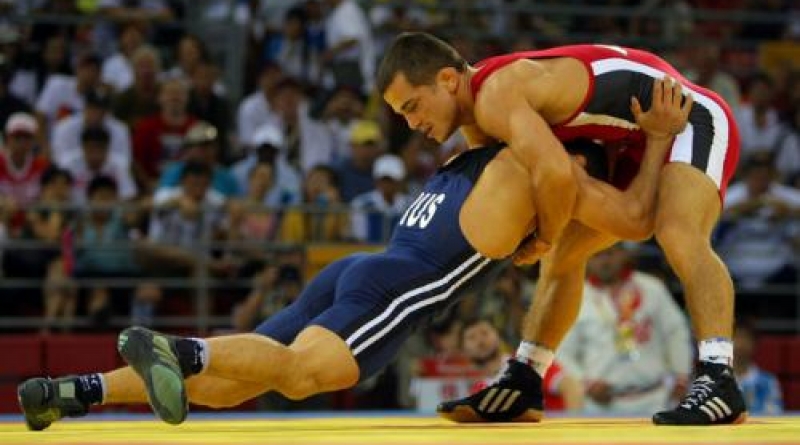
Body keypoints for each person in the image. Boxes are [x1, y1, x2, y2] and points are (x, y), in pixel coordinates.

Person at [17, 79, 687, 430]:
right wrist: (657, 142)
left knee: (246, 375)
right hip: (394, 290)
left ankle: (76, 391)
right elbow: (635, 219)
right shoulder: (552, 171)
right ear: (574, 160)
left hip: (361, 266)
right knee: (300, 374)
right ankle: (179, 348)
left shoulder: (474, 151)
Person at [376, 32, 744, 425]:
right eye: (402, 115)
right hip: (629, 139)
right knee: (562, 256)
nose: (412, 123)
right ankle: (526, 377)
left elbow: (554, 173)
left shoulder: (495, 95)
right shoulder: (480, 121)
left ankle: (718, 376)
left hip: (684, 115)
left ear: (448, 80)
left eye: (413, 107)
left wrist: (545, 236)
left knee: (677, 232)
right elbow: (613, 212)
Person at [556, 244, 692, 416]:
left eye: (610, 253)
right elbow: (563, 350)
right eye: (597, 255)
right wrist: (585, 383)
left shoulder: (652, 288)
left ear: (624, 254)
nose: (604, 261)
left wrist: (681, 374)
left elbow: (675, 332)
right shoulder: (577, 297)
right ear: (586, 260)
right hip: (600, 406)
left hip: (654, 399)